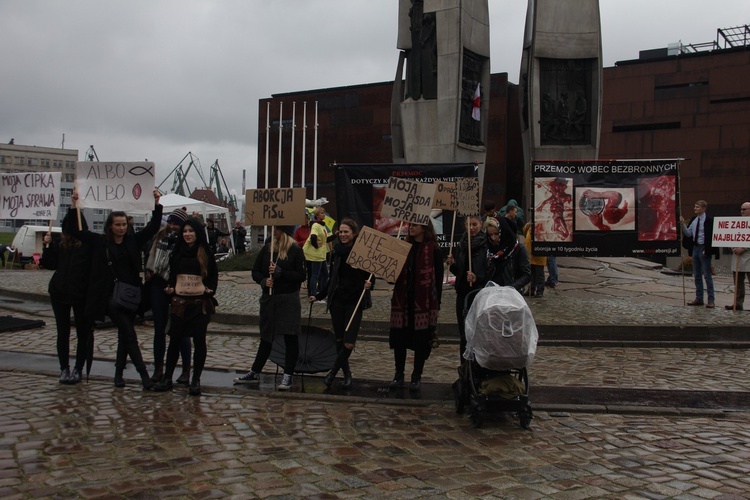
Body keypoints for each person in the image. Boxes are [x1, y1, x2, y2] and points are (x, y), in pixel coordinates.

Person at [71, 189, 163, 389]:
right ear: (110, 226)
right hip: (110, 297)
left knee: (124, 337)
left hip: (129, 295)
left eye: (124, 224)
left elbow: (153, 227)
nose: (121, 228)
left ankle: (118, 375)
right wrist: (73, 206)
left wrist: (156, 203)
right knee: (129, 334)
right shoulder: (100, 242)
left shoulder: (132, 242)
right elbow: (76, 231)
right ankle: (144, 377)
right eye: (118, 225)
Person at [234, 226, 306, 391]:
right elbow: (256, 271)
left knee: (290, 338)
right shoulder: (267, 249)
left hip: (288, 299)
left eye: (278, 230)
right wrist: (263, 281)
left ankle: (288, 374)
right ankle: (255, 371)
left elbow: (301, 276)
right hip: (269, 299)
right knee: (266, 337)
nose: (274, 233)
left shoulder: (295, 250)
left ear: (285, 232)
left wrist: (282, 272)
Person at [153, 218, 219, 396]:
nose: (187, 234)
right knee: (174, 340)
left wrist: (210, 290)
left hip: (198, 304)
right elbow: (172, 275)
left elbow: (213, 276)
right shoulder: (177, 252)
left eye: (191, 231)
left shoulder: (205, 252)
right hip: (179, 303)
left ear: (197, 233)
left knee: (199, 342)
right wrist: (170, 287)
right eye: (185, 231)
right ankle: (167, 378)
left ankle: (195, 380)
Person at [310, 218, 373, 389]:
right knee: (339, 340)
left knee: (349, 342)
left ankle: (332, 373)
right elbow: (332, 278)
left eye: (347, 232)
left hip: (355, 301)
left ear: (354, 233)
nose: (343, 235)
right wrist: (318, 295)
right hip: (337, 301)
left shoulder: (362, 252)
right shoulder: (336, 252)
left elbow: (370, 276)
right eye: (341, 232)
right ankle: (346, 374)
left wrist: (369, 285)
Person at [40, 203, 94, 385]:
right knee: (62, 332)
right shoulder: (59, 244)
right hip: (60, 291)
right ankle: (64, 368)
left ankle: (78, 368)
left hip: (80, 293)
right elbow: (49, 264)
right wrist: (46, 246)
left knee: (82, 333)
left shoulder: (87, 245)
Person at [389, 220, 443, 391]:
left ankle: (416, 376)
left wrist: (437, 305)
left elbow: (438, 280)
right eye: (409, 225)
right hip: (402, 301)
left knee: (421, 341)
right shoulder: (403, 246)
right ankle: (399, 374)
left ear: (424, 228)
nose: (410, 227)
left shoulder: (433, 249)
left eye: (414, 225)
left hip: (423, 302)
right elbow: (392, 275)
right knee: (400, 340)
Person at [144, 208, 192, 384]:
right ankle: (158, 369)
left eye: (176, 224)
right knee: (159, 329)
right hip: (158, 284)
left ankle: (186, 370)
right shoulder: (160, 237)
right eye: (171, 222)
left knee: (180, 330)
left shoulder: (185, 242)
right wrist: (148, 271)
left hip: (178, 287)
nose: (172, 226)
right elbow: (150, 257)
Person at [446, 215, 489, 361]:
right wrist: (452, 265)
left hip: (478, 293)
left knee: (477, 331)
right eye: (469, 225)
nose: (472, 228)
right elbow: (459, 272)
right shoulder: (462, 244)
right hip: (463, 292)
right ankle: (464, 367)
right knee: (463, 332)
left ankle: (478, 365)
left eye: (475, 224)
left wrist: (477, 278)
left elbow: (490, 271)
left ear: (481, 224)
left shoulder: (486, 244)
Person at [680, 200, 720, 308]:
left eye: (697, 207)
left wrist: (708, 250)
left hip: (704, 248)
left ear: (703, 208)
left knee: (707, 275)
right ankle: (699, 298)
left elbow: (711, 236)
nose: (695, 208)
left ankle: (711, 300)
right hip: (695, 248)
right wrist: (683, 224)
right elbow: (689, 233)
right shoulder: (694, 220)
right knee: (697, 275)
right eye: (695, 206)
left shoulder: (708, 220)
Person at [485, 218, 530, 292]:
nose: (493, 238)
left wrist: (510, 288)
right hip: (491, 293)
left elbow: (526, 275)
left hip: (511, 294)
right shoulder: (487, 248)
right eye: (491, 235)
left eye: (496, 234)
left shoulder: (518, 249)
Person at [726, 202, 750, 311]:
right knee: (738, 282)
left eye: (745, 209)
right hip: (737, 257)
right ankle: (738, 303)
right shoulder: (737, 222)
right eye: (741, 209)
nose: (742, 211)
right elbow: (730, 236)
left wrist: (744, 248)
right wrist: (733, 247)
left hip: (748, 255)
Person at [303, 207, 331, 297]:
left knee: (325, 274)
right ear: (317, 215)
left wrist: (335, 235)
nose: (324, 215)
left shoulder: (322, 226)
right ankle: (313, 294)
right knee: (315, 275)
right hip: (316, 255)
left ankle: (321, 293)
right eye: (322, 213)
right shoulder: (315, 225)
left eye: (324, 213)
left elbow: (326, 239)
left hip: (321, 255)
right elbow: (313, 236)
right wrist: (315, 245)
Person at [523, 221, 547, 297]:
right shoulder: (530, 225)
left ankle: (540, 290)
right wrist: (528, 226)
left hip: (539, 254)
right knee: (531, 274)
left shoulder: (542, 224)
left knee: (539, 274)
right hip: (530, 254)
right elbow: (524, 232)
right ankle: (531, 289)